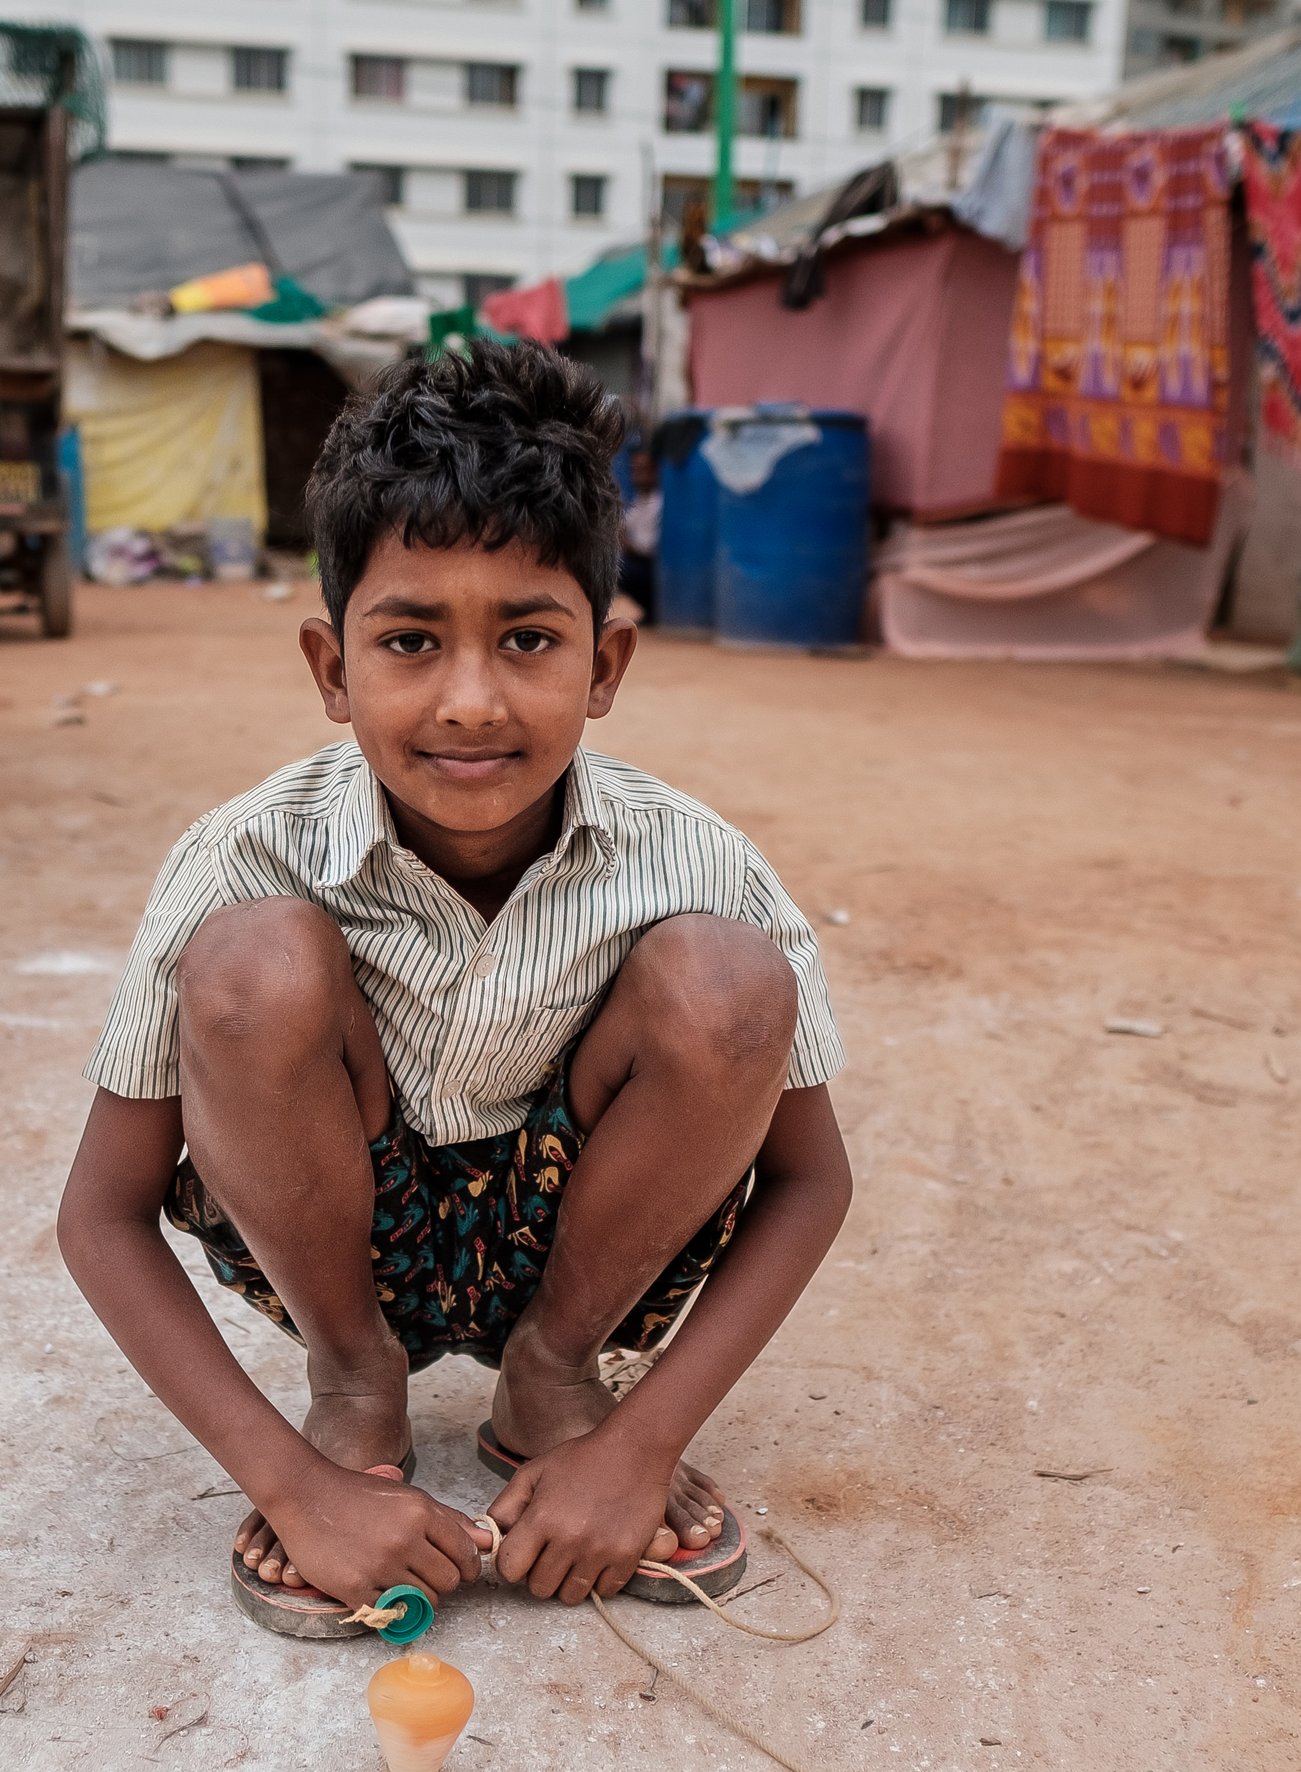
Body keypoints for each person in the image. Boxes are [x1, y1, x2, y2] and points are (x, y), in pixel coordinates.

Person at [55, 340, 852, 1630]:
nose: (471, 702)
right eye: (410, 640)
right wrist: (289, 1485)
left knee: (725, 980)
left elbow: (811, 1181)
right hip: (330, 1237)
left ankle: (553, 1379)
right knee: (253, 963)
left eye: (528, 639)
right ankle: (352, 1387)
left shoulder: (698, 858)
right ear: (332, 669)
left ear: (605, 666)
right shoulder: (240, 853)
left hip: (589, 1240)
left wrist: (641, 1443)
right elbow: (101, 1213)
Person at [617, 445, 660, 619]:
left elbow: (647, 548)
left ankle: (653, 610)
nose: (639, 476)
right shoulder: (640, 500)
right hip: (639, 562)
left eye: (644, 470)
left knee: (620, 568)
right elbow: (624, 526)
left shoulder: (659, 503)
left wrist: (625, 544)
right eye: (635, 470)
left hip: (651, 568)